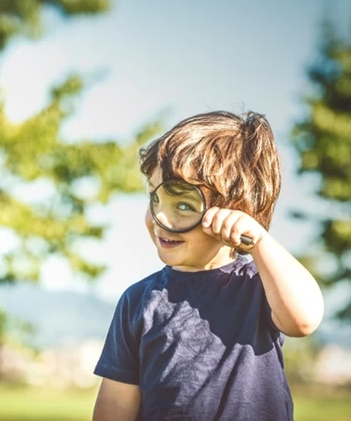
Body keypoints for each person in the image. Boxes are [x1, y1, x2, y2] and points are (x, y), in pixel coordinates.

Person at [92, 110, 324, 421]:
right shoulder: (139, 301)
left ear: (235, 213)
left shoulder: (259, 286)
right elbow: (115, 403)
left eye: (183, 205)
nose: (161, 220)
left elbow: (304, 320)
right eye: (155, 199)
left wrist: (259, 240)